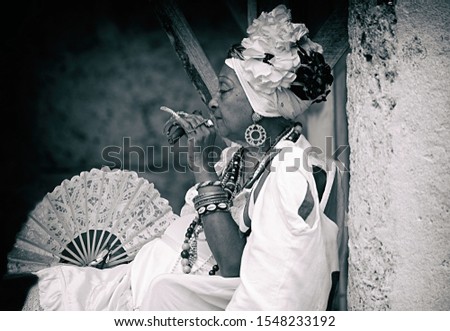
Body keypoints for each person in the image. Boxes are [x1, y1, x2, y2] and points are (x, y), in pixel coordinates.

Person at [23, 4, 342, 311]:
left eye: (225, 90)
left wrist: (200, 167)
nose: (213, 103)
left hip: (167, 298)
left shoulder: (289, 173)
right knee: (45, 287)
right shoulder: (239, 155)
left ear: (261, 107)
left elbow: (242, 274)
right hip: (139, 281)